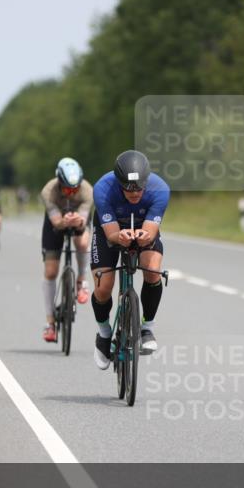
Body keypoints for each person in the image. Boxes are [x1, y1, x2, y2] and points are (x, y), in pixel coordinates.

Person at [90, 150, 170, 369]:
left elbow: (151, 231)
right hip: (110, 228)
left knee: (152, 270)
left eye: (139, 188)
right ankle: (104, 334)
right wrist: (120, 237)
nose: (134, 193)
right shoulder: (103, 188)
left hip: (143, 225)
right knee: (103, 286)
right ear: (118, 183)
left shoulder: (160, 189)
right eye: (128, 188)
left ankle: (147, 327)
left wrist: (145, 237)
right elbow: (111, 234)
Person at [40, 157, 94, 343]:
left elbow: (83, 220)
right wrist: (63, 222)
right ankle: (50, 323)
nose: (71, 193)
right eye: (67, 189)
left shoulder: (87, 190)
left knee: (82, 243)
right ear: (59, 182)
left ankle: (81, 280)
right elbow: (56, 222)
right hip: (55, 223)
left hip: (78, 220)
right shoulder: (48, 191)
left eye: (75, 189)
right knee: (51, 271)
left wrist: (78, 221)